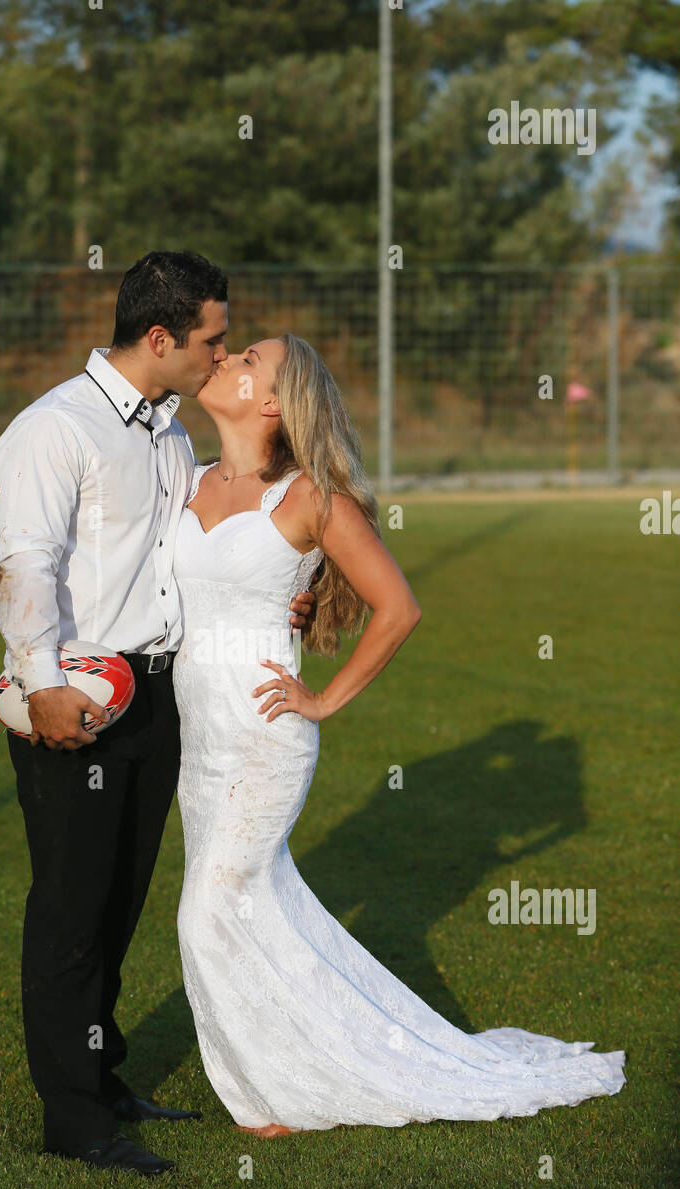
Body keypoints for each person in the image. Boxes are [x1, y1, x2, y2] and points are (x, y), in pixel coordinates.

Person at [171, 332, 627, 1136]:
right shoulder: (190, 478)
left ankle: (273, 1100)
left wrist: (323, 700)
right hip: (196, 745)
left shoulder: (312, 498)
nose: (229, 359)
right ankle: (277, 1078)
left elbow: (399, 607)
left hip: (263, 738)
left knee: (207, 909)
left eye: (249, 360)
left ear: (273, 402)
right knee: (246, 909)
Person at [0, 251, 316, 1177]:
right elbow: (24, 566)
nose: (222, 355)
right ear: (162, 337)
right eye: (214, 339)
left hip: (160, 698)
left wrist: (286, 593)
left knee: (123, 898)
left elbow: (209, 547)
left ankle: (107, 1076)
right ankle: (74, 1121)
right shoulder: (54, 430)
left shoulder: (169, 432)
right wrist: (43, 683)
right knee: (69, 909)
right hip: (76, 702)